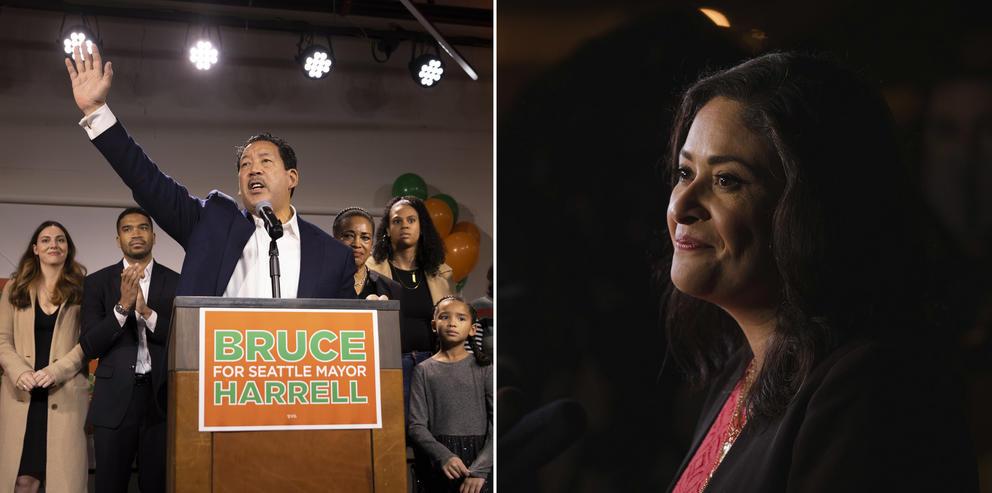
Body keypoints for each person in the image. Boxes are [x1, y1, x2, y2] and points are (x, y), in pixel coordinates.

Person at [661, 52, 978, 492]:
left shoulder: (868, 387)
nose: (681, 206)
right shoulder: (746, 370)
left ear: (811, 211)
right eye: (684, 172)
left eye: (726, 180)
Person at [63, 44, 355, 299]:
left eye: (265, 161)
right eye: (245, 165)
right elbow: (146, 180)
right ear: (239, 186)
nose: (253, 170)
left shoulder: (332, 254)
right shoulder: (210, 224)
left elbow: (352, 327)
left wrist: (375, 313)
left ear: (292, 178)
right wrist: (96, 112)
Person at [80, 208, 180, 493]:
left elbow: (182, 338)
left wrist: (146, 312)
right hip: (113, 402)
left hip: (161, 401)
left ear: (154, 236)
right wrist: (122, 308)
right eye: (127, 229)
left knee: (158, 485)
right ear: (117, 239)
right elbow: (89, 345)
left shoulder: (176, 282)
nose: (136, 233)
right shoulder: (96, 283)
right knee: (109, 485)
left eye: (142, 227)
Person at [0, 221, 89, 493]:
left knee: (64, 481)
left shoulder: (84, 289)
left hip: (64, 393)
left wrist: (57, 371)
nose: (54, 245)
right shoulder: (14, 288)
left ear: (68, 249)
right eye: (47, 240)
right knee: (22, 480)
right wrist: (20, 372)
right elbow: (2, 340)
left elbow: (89, 344)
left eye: (60, 240)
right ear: (35, 249)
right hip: (22, 394)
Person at [367, 195, 456, 415]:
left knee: (432, 434)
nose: (404, 225)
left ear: (421, 227)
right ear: (387, 229)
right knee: (397, 434)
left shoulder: (442, 273)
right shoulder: (371, 271)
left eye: (411, 220)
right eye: (397, 220)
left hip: (434, 364)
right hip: (391, 365)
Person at [408, 296, 492, 493]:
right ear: (434, 325)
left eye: (461, 318)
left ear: (473, 329)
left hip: (479, 459)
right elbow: (416, 426)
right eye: (445, 317)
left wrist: (480, 470)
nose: (452, 323)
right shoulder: (423, 370)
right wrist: (443, 456)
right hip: (438, 464)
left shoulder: (485, 369)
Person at [332, 207, 401, 300]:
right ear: (333, 242)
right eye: (348, 236)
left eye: (365, 238)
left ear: (372, 244)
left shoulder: (392, 289)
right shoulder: (313, 284)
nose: (357, 244)